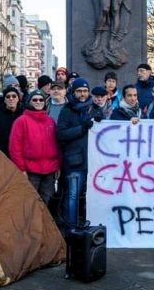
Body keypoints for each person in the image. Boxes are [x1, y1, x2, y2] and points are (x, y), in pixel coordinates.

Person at [56, 78, 98, 228]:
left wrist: (101, 121)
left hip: (94, 162)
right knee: (72, 195)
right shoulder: (66, 111)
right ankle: (71, 227)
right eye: (79, 91)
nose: (82, 94)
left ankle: (90, 224)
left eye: (85, 91)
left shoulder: (93, 109)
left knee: (92, 196)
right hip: (74, 162)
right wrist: (81, 128)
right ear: (73, 92)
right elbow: (61, 134)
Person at [9, 89, 61, 204]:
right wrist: (21, 169)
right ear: (29, 102)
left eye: (41, 99)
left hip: (50, 169)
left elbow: (57, 145)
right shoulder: (21, 121)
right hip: (30, 170)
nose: (38, 102)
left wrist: (57, 165)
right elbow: (15, 148)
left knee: (45, 202)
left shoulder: (50, 121)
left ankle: (43, 222)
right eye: (35, 99)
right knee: (30, 202)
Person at [0, 86, 24, 157]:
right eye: (8, 97)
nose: (11, 98)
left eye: (14, 96)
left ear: (18, 99)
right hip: (3, 155)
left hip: (22, 154)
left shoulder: (24, 114)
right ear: (4, 100)